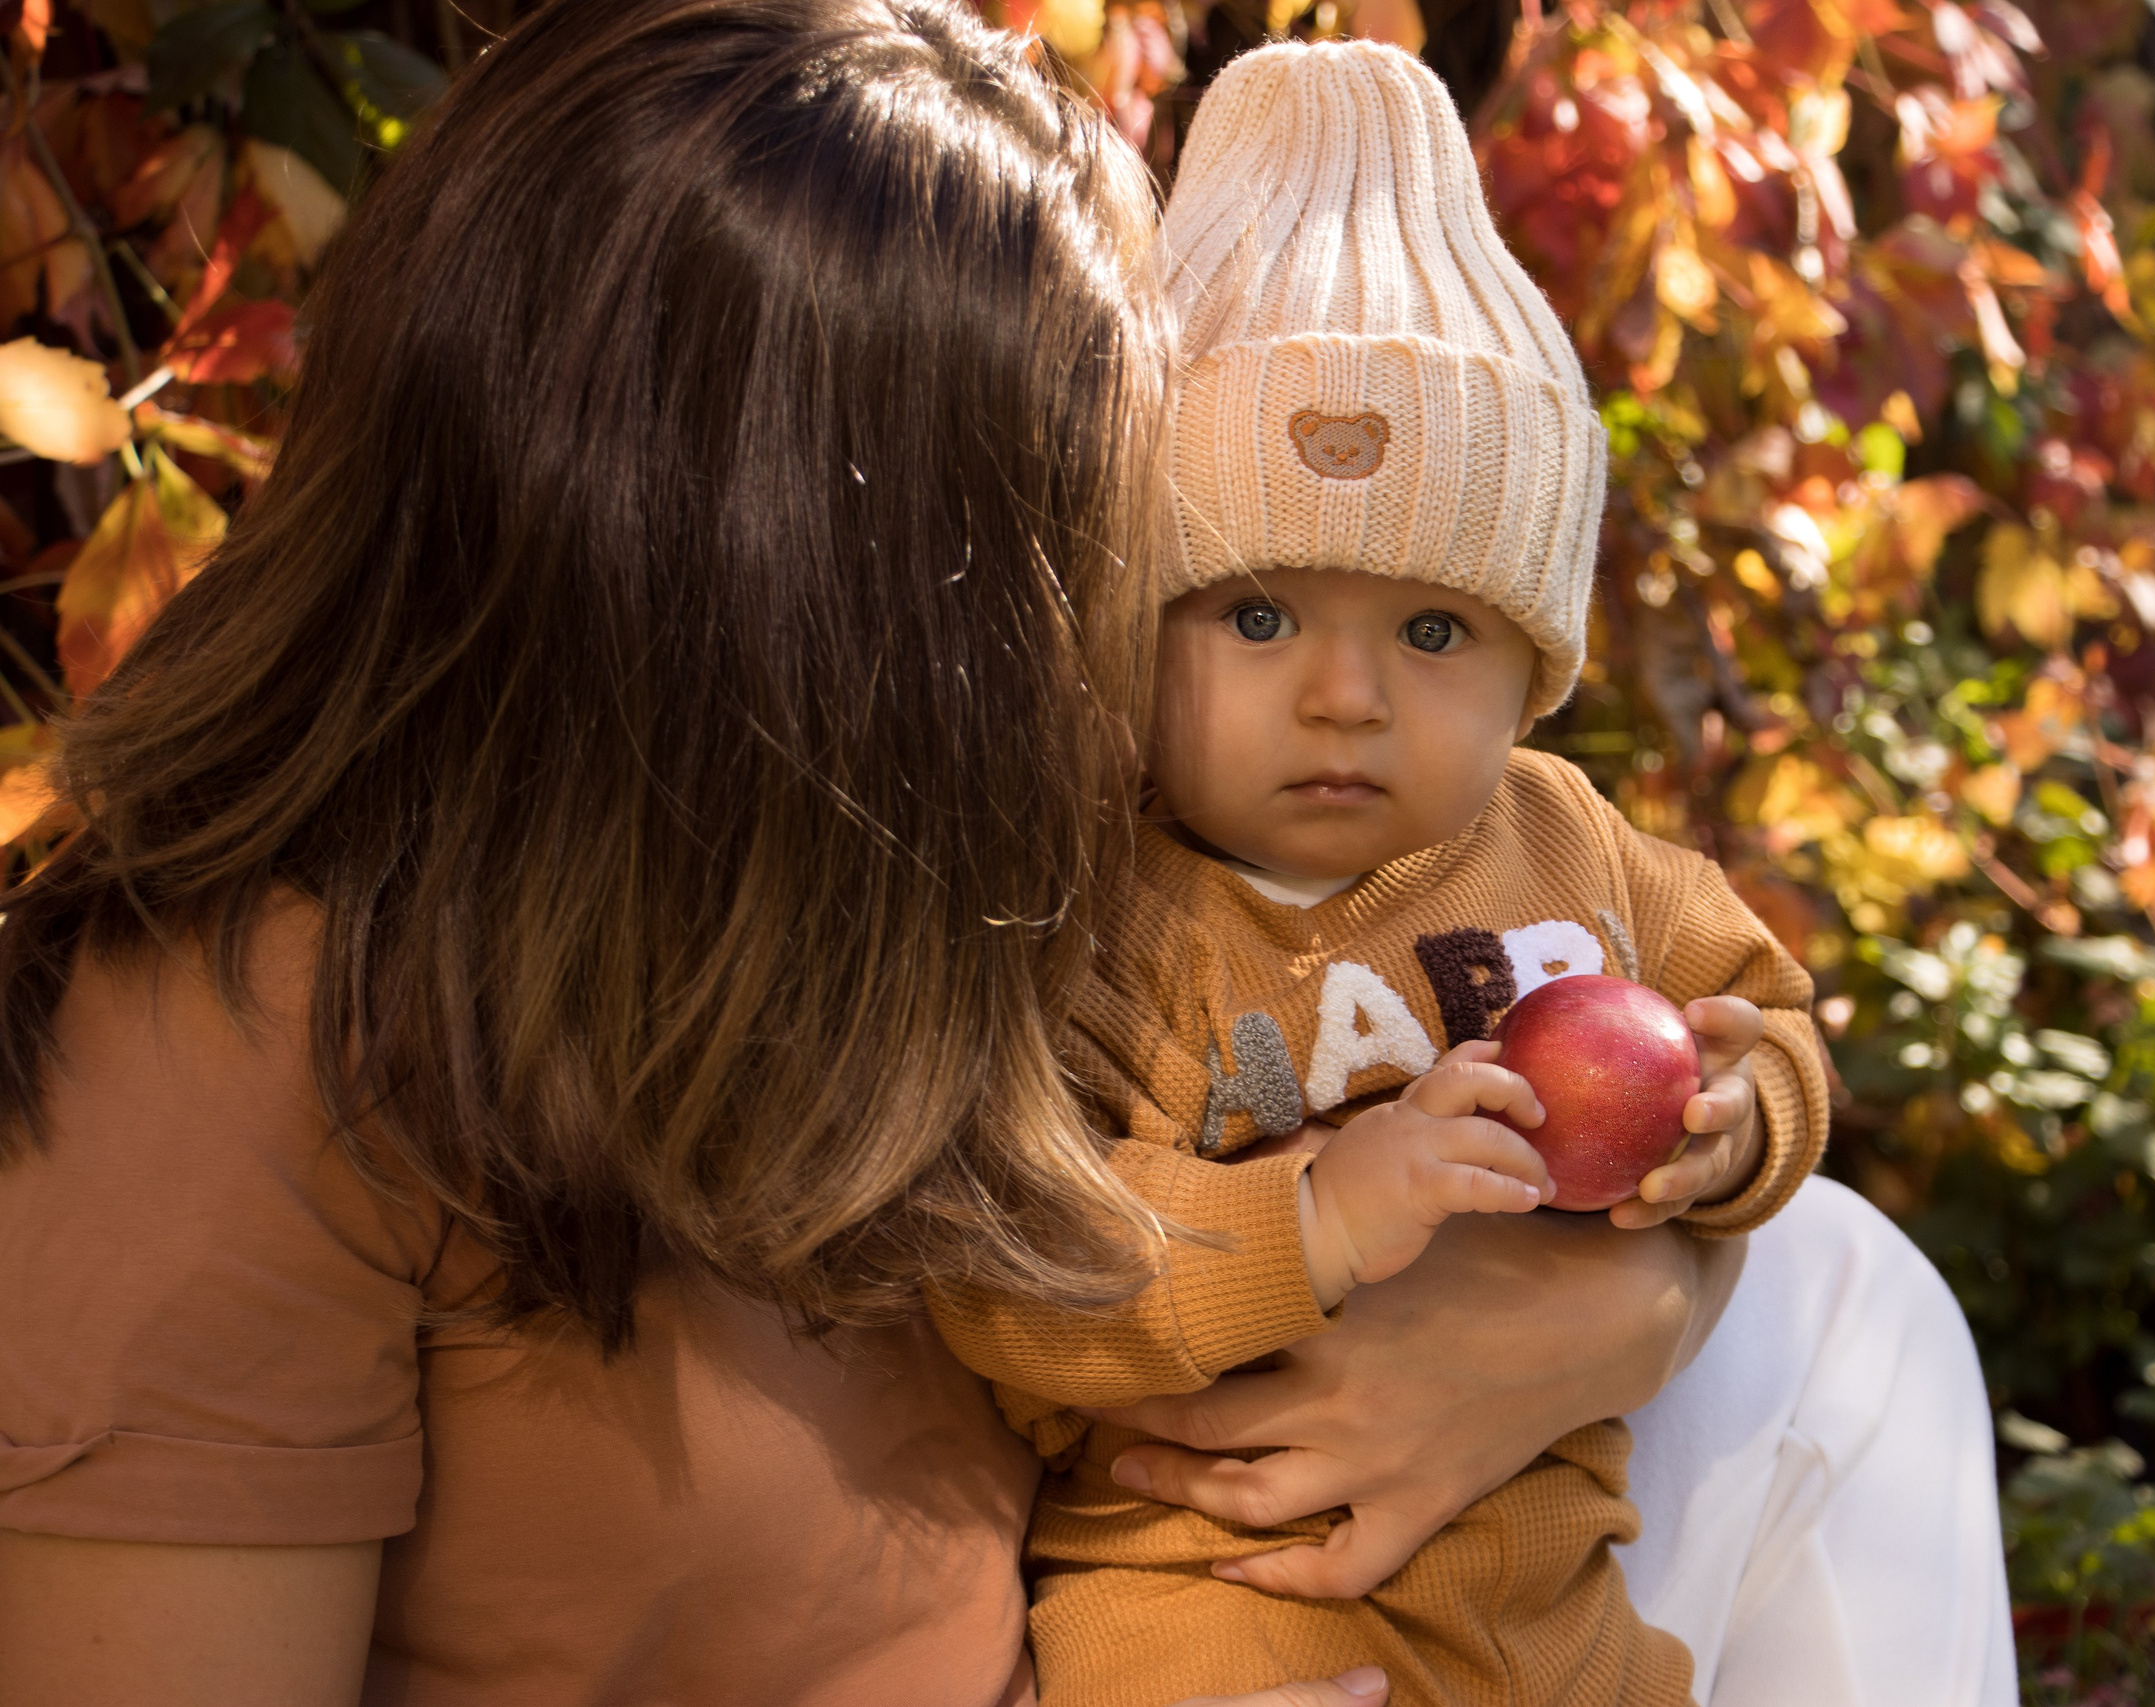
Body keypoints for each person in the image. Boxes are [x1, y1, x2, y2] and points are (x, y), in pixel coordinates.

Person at [0, 4, 1745, 1704]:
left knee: (1853, 1308)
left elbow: (1621, 1017)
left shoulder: (892, 900)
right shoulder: (241, 1075)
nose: (1108, 658)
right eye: (1088, 558)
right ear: (836, 602)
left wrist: (1622, 1308)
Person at [926, 41, 1835, 1707]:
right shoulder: (1083, 918)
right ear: (1125, 626)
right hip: (1220, 1606)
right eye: (1257, 614)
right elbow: (1017, 1284)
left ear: (1534, 667)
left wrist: (1734, 1125)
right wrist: (1323, 1210)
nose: (1344, 697)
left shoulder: (1567, 845)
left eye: (1433, 630)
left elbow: (1758, 1016)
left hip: (1552, 1610)